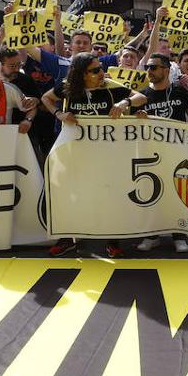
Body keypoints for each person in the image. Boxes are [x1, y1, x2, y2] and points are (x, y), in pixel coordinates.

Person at [41, 52, 143, 258]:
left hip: (106, 154)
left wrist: (124, 104)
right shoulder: (67, 87)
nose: (101, 72)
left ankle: (112, 241)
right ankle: (67, 239)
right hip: (75, 154)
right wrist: (59, 114)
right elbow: (46, 98)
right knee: (70, 196)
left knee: (109, 195)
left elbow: (141, 97)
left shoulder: (109, 86)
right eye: (95, 70)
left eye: (100, 68)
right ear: (81, 74)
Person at [128, 51, 188, 254]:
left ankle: (179, 235)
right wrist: (139, 119)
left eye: (153, 67)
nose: (149, 71)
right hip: (151, 156)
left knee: (177, 194)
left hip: (178, 153)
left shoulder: (180, 92)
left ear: (166, 70)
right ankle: (152, 236)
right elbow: (132, 129)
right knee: (151, 195)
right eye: (147, 68)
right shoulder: (142, 96)